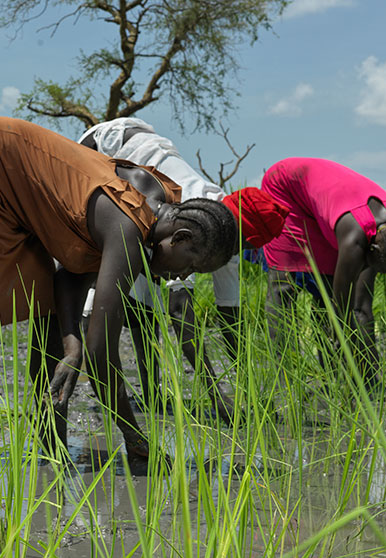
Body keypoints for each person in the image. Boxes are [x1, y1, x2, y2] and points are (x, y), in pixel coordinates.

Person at [0, 116, 239, 473]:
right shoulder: (129, 228)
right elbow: (101, 352)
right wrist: (132, 434)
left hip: (18, 183)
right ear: (181, 237)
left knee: (51, 329)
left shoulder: (157, 199)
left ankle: (52, 450)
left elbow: (69, 277)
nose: (182, 276)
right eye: (190, 267)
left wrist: (70, 345)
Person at [78, 118, 289, 420]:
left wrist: (250, 389)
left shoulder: (226, 242)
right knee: (128, 289)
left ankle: (150, 394)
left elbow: (231, 317)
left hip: (152, 159)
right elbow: (180, 313)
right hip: (108, 147)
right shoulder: (197, 217)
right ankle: (133, 392)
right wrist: (217, 395)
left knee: (147, 291)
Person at [253, 157, 386, 393]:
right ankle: (284, 387)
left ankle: (332, 380)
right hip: (287, 187)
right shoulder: (354, 242)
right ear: (370, 249)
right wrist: (345, 343)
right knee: (285, 288)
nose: (370, 272)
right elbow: (344, 310)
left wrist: (370, 377)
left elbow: (362, 306)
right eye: (374, 266)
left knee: (326, 293)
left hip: (328, 201)